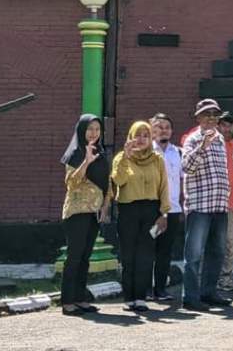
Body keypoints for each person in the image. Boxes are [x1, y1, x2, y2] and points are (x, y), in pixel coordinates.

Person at [112, 121, 170, 312]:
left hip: (151, 211)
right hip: (128, 210)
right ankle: (128, 297)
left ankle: (140, 297)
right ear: (130, 137)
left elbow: (163, 187)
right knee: (129, 255)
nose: (141, 139)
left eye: (146, 135)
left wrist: (164, 213)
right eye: (137, 135)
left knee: (146, 255)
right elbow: (118, 181)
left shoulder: (157, 159)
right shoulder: (122, 157)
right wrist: (126, 158)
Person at [180, 98, 232, 311]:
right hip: (200, 207)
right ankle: (190, 298)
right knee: (193, 255)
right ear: (198, 117)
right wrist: (203, 146)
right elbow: (187, 168)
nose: (211, 118)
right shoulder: (193, 139)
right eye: (207, 114)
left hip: (219, 206)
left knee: (217, 252)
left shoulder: (220, 139)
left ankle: (208, 292)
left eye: (214, 114)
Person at [59, 114, 111, 315]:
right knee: (74, 256)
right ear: (82, 131)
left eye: (97, 129)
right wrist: (86, 162)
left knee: (85, 257)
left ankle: (80, 298)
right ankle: (67, 301)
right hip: (76, 211)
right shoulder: (75, 153)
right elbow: (71, 183)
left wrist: (106, 207)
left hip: (94, 212)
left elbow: (107, 182)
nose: (94, 133)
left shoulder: (102, 153)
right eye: (90, 129)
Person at [150, 113, 183, 301]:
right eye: (159, 126)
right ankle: (145, 288)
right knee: (147, 248)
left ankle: (160, 289)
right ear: (151, 130)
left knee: (165, 251)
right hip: (152, 211)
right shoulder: (146, 151)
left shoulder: (178, 152)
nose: (164, 130)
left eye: (167, 127)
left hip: (172, 210)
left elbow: (183, 178)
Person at [217, 112, 233, 292]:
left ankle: (225, 277)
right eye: (224, 124)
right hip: (211, 201)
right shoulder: (211, 144)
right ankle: (209, 277)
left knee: (230, 243)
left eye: (230, 125)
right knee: (211, 241)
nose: (227, 128)